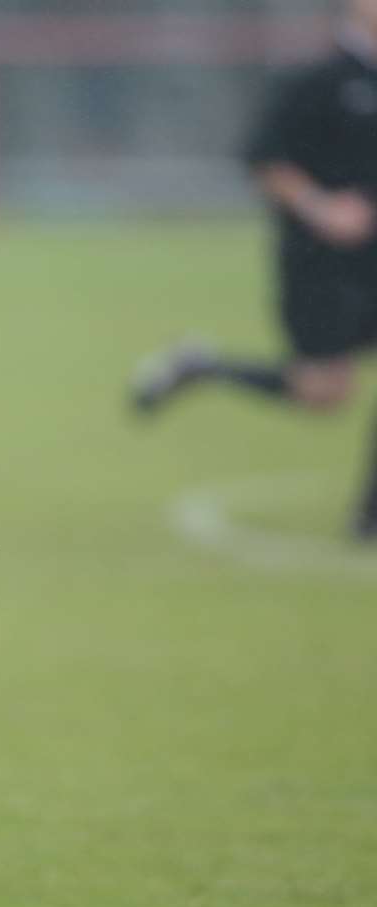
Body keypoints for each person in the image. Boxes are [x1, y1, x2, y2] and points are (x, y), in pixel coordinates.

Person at [131, 0, 377, 542]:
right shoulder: (321, 80)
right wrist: (323, 209)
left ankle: (369, 517)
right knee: (324, 391)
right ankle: (202, 367)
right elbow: (264, 159)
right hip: (321, 265)